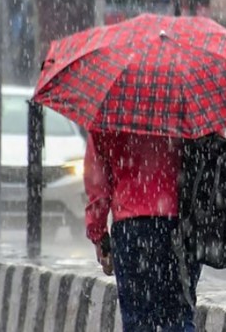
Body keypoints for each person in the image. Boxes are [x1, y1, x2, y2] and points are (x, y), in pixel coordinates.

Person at [84, 131, 201, 331]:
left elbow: (98, 182)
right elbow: (213, 155)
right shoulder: (191, 108)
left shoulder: (110, 112)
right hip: (181, 226)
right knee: (179, 318)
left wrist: (99, 234)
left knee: (138, 321)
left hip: (132, 228)